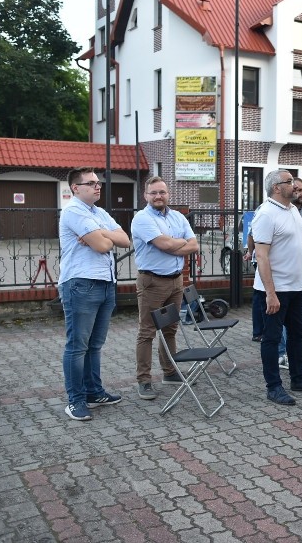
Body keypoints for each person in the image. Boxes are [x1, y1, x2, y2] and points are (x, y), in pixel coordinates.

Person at [58, 168, 130, 421]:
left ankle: (93, 392)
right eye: (91, 183)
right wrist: (103, 237)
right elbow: (102, 246)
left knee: (95, 345)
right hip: (81, 284)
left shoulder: (98, 213)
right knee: (77, 346)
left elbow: (125, 240)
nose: (98, 187)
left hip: (105, 283)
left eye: (98, 183)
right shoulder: (73, 211)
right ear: (76, 188)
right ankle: (75, 400)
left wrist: (102, 233)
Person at [252, 169, 302, 405]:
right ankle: (273, 387)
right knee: (272, 339)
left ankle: (298, 379)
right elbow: (261, 256)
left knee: (297, 334)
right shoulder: (266, 214)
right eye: (289, 182)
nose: (295, 186)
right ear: (276, 188)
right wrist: (270, 293)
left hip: (295, 287)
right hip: (276, 289)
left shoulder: (293, 209)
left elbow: (300, 243)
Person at [130, 176, 199, 401]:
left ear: (168, 194)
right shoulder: (141, 219)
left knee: (170, 329)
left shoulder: (178, 216)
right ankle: (144, 380)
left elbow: (194, 245)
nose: (158, 196)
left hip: (176, 281)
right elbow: (164, 244)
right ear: (146, 196)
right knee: (147, 332)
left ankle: (169, 373)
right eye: (153, 193)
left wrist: (172, 244)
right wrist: (177, 242)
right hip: (152, 282)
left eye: (162, 192)